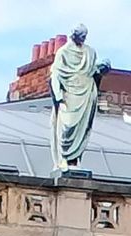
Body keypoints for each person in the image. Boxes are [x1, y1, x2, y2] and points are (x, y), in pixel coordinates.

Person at [50, 24, 110, 172]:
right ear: (74, 35)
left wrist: (103, 67)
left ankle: (74, 161)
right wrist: (58, 95)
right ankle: (63, 159)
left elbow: (92, 71)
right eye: (81, 36)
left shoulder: (90, 52)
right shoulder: (63, 52)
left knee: (82, 129)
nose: (83, 39)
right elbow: (56, 74)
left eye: (85, 36)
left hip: (87, 93)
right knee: (67, 126)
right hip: (69, 95)